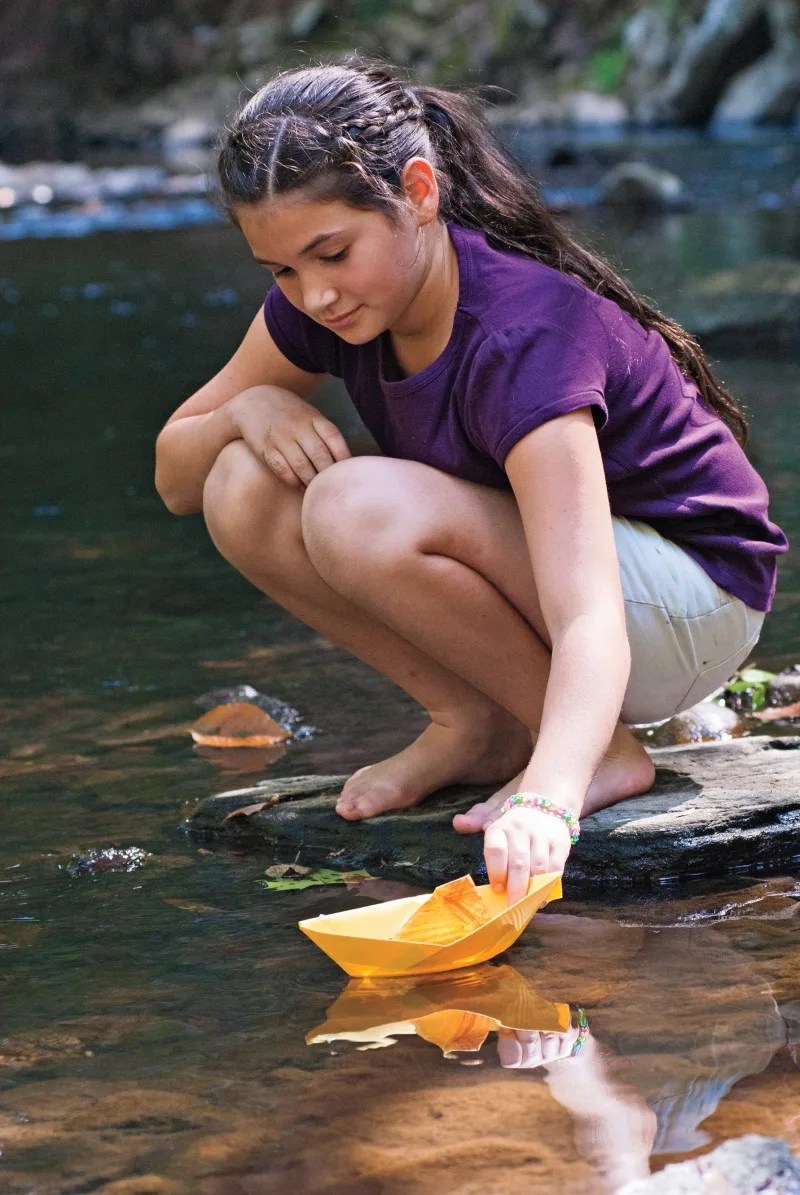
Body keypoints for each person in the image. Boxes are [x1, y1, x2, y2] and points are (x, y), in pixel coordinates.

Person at [154, 60, 787, 903]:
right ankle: (478, 722)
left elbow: (589, 612)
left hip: (690, 601)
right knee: (240, 482)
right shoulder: (332, 304)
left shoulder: (524, 336)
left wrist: (550, 798)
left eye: (331, 252)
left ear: (418, 192)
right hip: (597, 606)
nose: (314, 294)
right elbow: (177, 478)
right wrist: (249, 411)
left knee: (353, 506)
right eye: (281, 271)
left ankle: (594, 751)